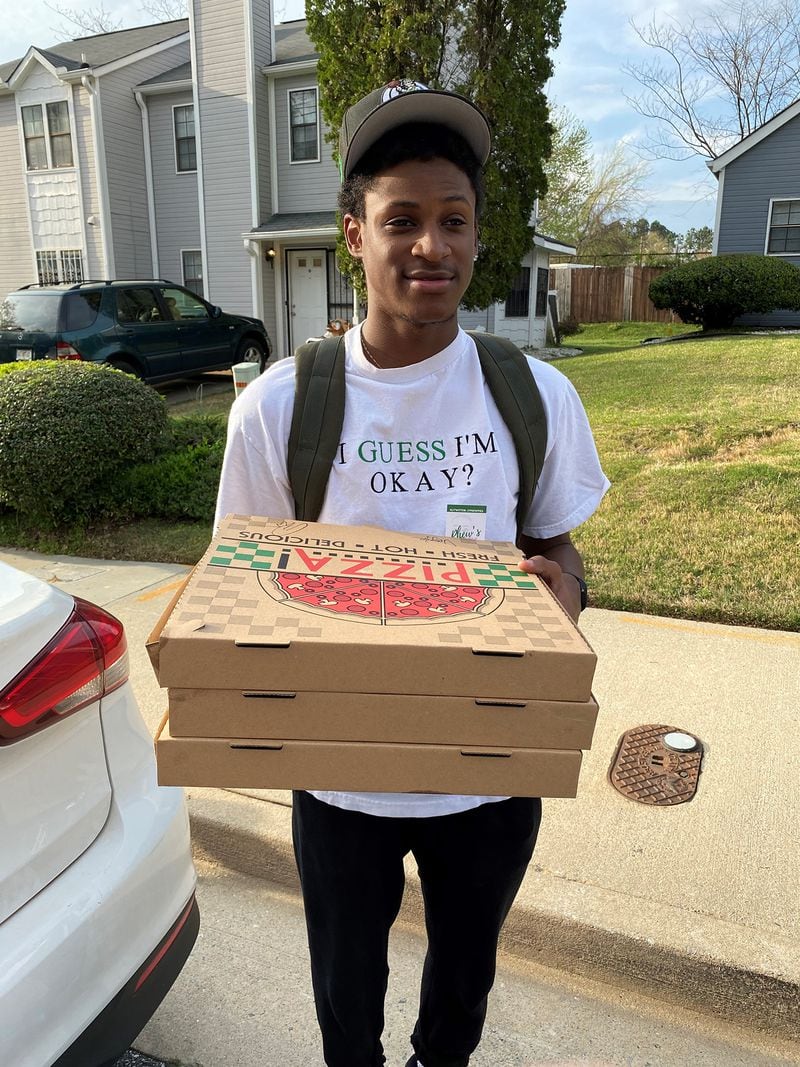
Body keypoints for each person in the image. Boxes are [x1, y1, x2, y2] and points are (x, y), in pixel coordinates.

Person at [215, 80, 610, 1067]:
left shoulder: (534, 393)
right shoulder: (276, 408)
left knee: (461, 987)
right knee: (345, 1004)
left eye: (452, 220)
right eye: (401, 220)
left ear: (476, 235)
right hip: (338, 783)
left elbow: (559, 550)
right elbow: (240, 583)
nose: (429, 245)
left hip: (488, 773)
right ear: (354, 232)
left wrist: (565, 587)